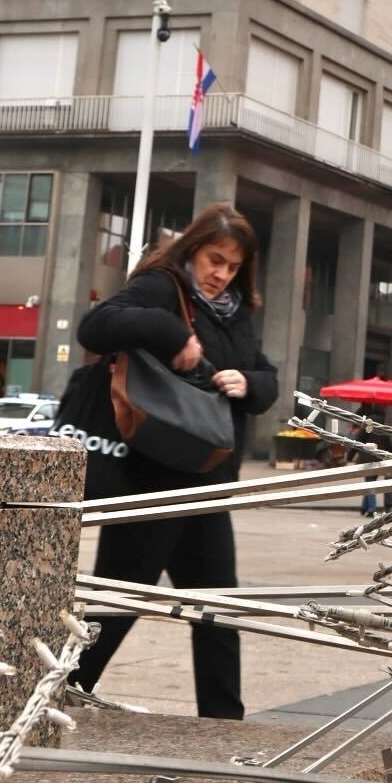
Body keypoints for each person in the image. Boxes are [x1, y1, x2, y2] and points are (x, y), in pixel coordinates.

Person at [69, 203, 278, 718]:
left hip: (208, 479)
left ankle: (224, 724)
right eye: (214, 260)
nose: (221, 274)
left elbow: (266, 374)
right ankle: (57, 694)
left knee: (217, 611)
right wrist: (174, 335)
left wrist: (249, 383)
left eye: (233, 267)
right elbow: (95, 326)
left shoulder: (236, 311)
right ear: (193, 249)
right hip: (151, 480)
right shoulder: (162, 287)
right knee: (117, 603)